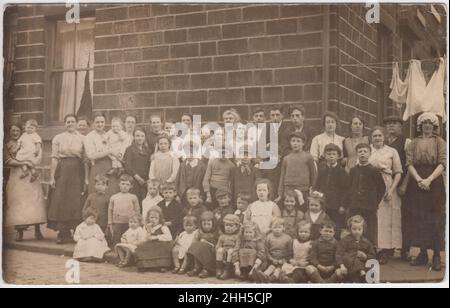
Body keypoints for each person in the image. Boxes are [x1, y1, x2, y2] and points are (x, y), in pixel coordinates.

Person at [407, 112, 445, 271]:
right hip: (417, 180)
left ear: (434, 126)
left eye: (430, 123)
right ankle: (422, 253)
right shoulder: (413, 143)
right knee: (419, 217)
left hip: (434, 180)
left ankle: (436, 254)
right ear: (420, 126)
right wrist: (419, 180)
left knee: (435, 218)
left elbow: (443, 162)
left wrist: (429, 179)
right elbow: (409, 164)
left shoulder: (440, 142)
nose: (427, 126)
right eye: (425, 123)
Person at [48, 114, 86, 244]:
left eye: (72, 121)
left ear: (76, 123)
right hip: (62, 170)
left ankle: (75, 231)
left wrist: (85, 178)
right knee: (61, 199)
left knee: (75, 199)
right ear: (64, 124)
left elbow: (85, 159)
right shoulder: (58, 138)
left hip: (77, 170)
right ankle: (62, 232)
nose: (70, 124)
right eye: (68, 122)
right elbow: (54, 158)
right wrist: (52, 176)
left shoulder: (82, 138)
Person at [4, 123, 46, 242]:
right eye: (13, 130)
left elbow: (37, 155)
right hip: (17, 176)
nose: (15, 133)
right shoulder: (8, 145)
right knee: (19, 203)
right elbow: (7, 160)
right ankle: (20, 231)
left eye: (17, 130)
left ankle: (37, 230)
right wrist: (23, 163)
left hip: (31, 175)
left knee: (35, 201)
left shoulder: (30, 139)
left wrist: (32, 162)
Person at [369, 126, 403, 265]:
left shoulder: (392, 151)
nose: (377, 138)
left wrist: (391, 189)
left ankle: (385, 250)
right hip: (370, 185)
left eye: (379, 135)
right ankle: (373, 248)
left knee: (386, 218)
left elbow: (398, 172)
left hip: (387, 185)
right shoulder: (368, 149)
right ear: (371, 137)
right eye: (374, 135)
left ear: (384, 137)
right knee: (373, 217)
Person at [384, 115, 411, 261]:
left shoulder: (406, 142)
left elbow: (410, 164)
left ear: (400, 127)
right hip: (388, 185)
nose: (391, 127)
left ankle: (404, 249)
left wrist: (405, 185)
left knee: (403, 217)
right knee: (388, 216)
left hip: (401, 186)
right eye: (388, 124)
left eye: (394, 124)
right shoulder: (383, 141)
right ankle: (388, 248)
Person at [348, 143, 385, 244]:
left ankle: (370, 252)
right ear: (357, 154)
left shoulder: (374, 171)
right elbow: (349, 186)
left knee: (370, 229)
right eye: (360, 152)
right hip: (355, 205)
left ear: (370, 154)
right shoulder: (353, 170)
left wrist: (374, 201)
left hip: (369, 206)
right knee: (355, 228)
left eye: (365, 152)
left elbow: (381, 188)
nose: (362, 154)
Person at [314, 143, 349, 237]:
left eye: (334, 154)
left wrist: (342, 205)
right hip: (323, 204)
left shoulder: (341, 172)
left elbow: (345, 190)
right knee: (322, 224)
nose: (331, 156)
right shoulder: (322, 170)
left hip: (336, 206)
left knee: (336, 226)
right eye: (329, 154)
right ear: (325, 156)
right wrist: (316, 199)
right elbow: (317, 187)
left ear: (338, 156)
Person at [278, 132, 317, 212]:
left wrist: (313, 189)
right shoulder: (286, 158)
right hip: (288, 190)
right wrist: (280, 192)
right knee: (288, 211)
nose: (295, 143)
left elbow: (314, 174)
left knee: (301, 211)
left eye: (298, 141)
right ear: (290, 143)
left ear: (303, 143)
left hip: (303, 190)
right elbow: (282, 176)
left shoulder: (308, 157)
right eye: (293, 141)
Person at [84, 112, 120, 196]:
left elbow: (115, 148)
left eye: (102, 122)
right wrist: (109, 151)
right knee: (97, 193)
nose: (100, 124)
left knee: (111, 192)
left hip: (110, 168)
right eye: (97, 122)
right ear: (93, 123)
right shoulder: (89, 137)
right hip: (97, 167)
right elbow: (91, 155)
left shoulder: (108, 135)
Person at [336, 215, 376, 283]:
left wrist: (366, 256)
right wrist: (341, 265)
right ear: (350, 229)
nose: (357, 231)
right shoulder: (345, 240)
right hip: (348, 266)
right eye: (354, 229)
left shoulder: (366, 242)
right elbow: (339, 254)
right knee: (349, 256)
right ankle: (360, 272)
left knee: (369, 264)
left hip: (363, 265)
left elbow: (373, 255)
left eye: (359, 229)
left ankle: (361, 274)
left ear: (363, 229)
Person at [135, 206, 173, 272]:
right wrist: (149, 232)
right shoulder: (147, 227)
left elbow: (169, 237)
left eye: (156, 218)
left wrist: (157, 237)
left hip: (160, 243)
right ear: (148, 218)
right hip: (150, 243)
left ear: (160, 219)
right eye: (151, 217)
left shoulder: (162, 226)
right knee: (141, 246)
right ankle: (144, 265)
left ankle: (162, 265)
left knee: (161, 248)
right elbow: (144, 238)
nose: (153, 220)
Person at [108, 174, 140, 246]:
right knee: (117, 240)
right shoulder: (114, 197)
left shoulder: (133, 197)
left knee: (129, 240)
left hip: (129, 223)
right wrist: (110, 223)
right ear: (119, 184)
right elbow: (110, 211)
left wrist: (136, 222)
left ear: (131, 186)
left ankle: (128, 253)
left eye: (127, 184)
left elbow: (137, 211)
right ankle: (118, 254)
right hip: (117, 223)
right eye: (122, 184)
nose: (124, 186)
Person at [187, 211, 219, 278]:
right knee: (195, 246)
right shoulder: (199, 232)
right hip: (201, 251)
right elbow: (194, 241)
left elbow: (218, 243)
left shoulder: (216, 232)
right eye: (204, 224)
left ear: (213, 224)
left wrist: (208, 243)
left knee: (204, 247)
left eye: (209, 224)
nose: (206, 227)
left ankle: (207, 269)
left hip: (212, 251)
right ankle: (197, 267)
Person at [123, 128, 151, 203]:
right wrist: (138, 178)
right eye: (137, 136)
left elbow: (149, 165)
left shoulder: (147, 150)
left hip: (145, 181)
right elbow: (127, 166)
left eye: (142, 136)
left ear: (145, 138)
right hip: (134, 180)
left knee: (144, 201)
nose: (140, 138)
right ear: (134, 137)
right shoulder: (129, 149)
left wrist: (147, 179)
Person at [215, 214, 241, 280]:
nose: (228, 227)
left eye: (231, 225)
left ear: (236, 227)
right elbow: (218, 245)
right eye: (227, 225)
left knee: (230, 251)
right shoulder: (222, 236)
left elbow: (237, 246)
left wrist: (233, 251)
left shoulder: (237, 236)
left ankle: (227, 270)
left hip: (232, 252)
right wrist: (218, 249)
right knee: (219, 250)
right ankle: (219, 269)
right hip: (224, 250)